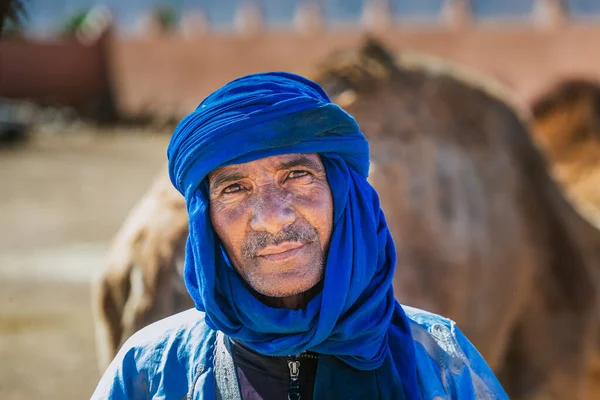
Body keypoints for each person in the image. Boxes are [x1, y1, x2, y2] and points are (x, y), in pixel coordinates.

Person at [91, 72, 507, 399]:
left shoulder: (441, 362)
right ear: (205, 221)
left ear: (344, 196)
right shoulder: (151, 370)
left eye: (297, 175)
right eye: (235, 188)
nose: (272, 217)